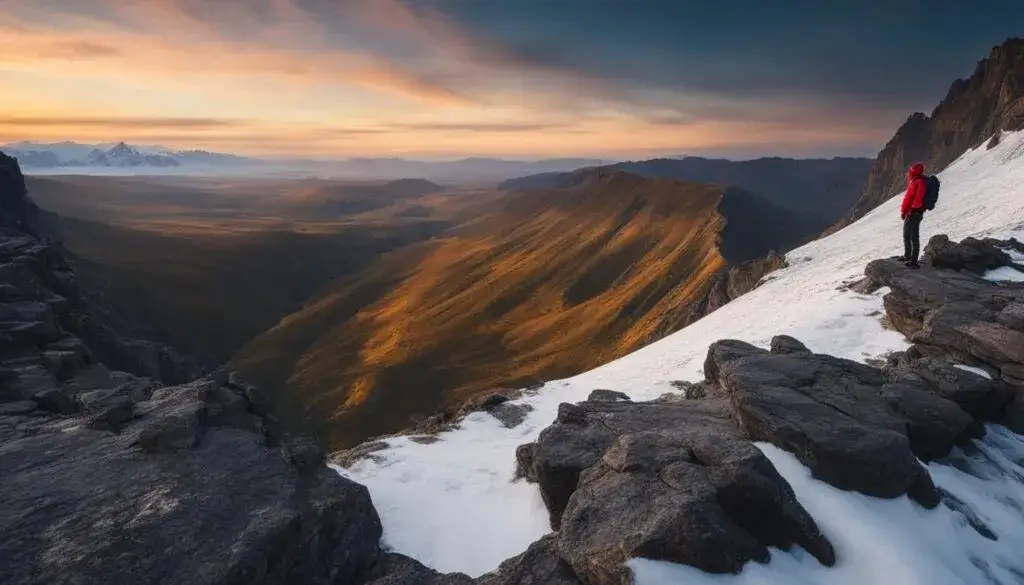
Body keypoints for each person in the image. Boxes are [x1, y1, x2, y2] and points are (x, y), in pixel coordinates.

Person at [898, 162, 927, 268]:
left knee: (914, 237)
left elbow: (917, 199)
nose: (910, 172)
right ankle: (907, 256)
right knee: (907, 235)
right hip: (910, 213)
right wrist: (904, 212)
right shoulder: (914, 181)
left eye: (912, 170)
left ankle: (914, 262)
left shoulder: (919, 182)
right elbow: (908, 198)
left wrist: (911, 211)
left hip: (914, 213)